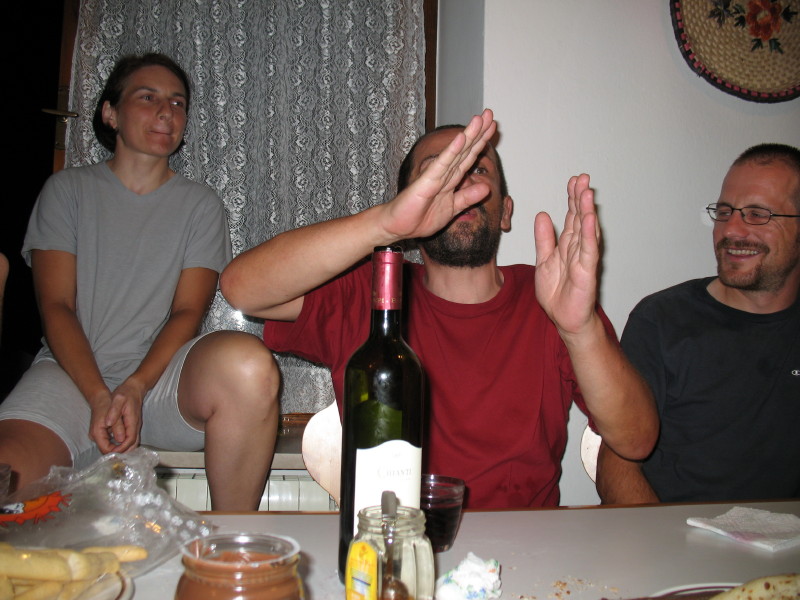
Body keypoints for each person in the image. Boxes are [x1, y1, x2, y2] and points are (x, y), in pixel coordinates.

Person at [220, 110, 658, 508]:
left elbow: (636, 440)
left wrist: (580, 329)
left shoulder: (553, 297)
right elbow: (242, 288)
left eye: (477, 171)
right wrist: (384, 224)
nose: (459, 187)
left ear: (505, 211)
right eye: (439, 172)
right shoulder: (374, 295)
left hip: (529, 551)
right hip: (394, 548)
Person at [0, 53, 279, 511]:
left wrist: (134, 387)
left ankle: (232, 538)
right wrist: (98, 396)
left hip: (159, 382)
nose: (166, 111)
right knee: (7, 473)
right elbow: (56, 307)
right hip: (70, 376)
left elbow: (187, 313)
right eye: (148, 97)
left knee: (247, 364)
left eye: (178, 102)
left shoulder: (202, 206)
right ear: (110, 113)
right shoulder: (67, 191)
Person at [596, 143, 800, 504]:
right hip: (677, 530)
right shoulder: (662, 320)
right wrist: (661, 537)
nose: (731, 230)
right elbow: (617, 461)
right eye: (724, 212)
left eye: (756, 214)